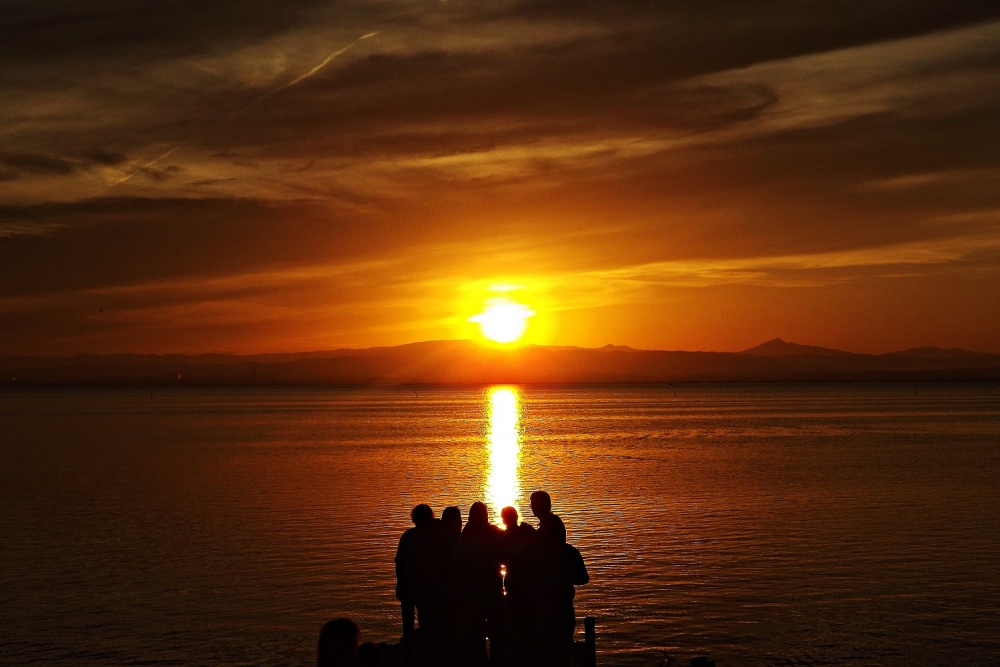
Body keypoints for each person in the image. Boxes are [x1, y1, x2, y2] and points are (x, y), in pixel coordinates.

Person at [512, 515, 589, 667]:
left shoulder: (530, 552)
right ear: (559, 532)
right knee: (561, 652)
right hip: (561, 609)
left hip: (538, 610)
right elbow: (583, 578)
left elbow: (516, 576)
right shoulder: (569, 552)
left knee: (540, 653)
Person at [454, 501, 505, 666]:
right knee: (496, 632)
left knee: (476, 632)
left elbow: (457, 564)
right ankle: (495, 660)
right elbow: (505, 555)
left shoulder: (465, 537)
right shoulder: (494, 533)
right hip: (492, 590)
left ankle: (480, 660)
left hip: (473, 592)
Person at [395, 504, 435, 644]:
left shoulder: (409, 536)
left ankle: (410, 646)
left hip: (412, 584)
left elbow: (399, 561)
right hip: (419, 585)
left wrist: (400, 583)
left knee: (410, 619)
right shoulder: (432, 537)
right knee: (424, 618)